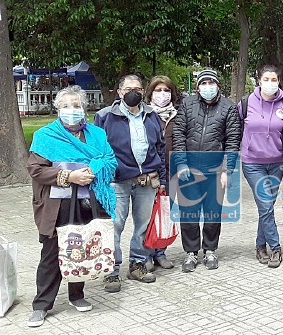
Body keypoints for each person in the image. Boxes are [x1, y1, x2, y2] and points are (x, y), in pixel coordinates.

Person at [26, 86, 118, 328]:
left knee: (83, 249)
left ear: (84, 109)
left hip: (89, 203)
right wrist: (69, 176)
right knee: (51, 254)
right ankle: (41, 305)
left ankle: (77, 295)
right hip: (57, 205)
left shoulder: (97, 134)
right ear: (58, 110)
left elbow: (110, 160)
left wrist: (93, 170)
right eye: (66, 106)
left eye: (76, 105)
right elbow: (36, 169)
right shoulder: (46, 136)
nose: (71, 110)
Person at [94, 75, 167, 292]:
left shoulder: (152, 115)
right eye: (128, 89)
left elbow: (160, 149)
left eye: (137, 88)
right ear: (119, 92)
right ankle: (111, 271)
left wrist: (162, 179)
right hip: (117, 182)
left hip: (147, 180)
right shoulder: (105, 116)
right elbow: (97, 151)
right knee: (115, 226)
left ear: (143, 91)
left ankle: (137, 264)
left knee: (143, 226)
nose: (133, 92)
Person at [172, 69, 241, 272]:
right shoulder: (187, 104)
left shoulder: (228, 108)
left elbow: (232, 140)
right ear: (198, 86)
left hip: (214, 170)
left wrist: (226, 170)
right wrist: (181, 163)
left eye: (211, 83)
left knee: (213, 213)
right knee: (189, 212)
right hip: (189, 169)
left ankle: (210, 249)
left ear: (218, 86)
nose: (207, 87)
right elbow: (179, 134)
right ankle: (191, 252)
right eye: (204, 83)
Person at [238, 65, 283, 269]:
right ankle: (276, 248)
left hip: (277, 163)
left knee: (265, 207)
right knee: (266, 205)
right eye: (266, 79)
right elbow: (238, 128)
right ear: (259, 81)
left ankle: (260, 245)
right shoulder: (245, 103)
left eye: (274, 79)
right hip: (252, 163)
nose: (270, 83)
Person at [143, 75, 180, 271]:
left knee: (166, 213)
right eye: (158, 90)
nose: (162, 94)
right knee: (148, 214)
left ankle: (161, 252)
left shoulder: (177, 115)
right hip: (151, 173)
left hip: (173, 171)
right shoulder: (144, 115)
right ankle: (146, 254)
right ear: (150, 93)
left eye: (166, 90)